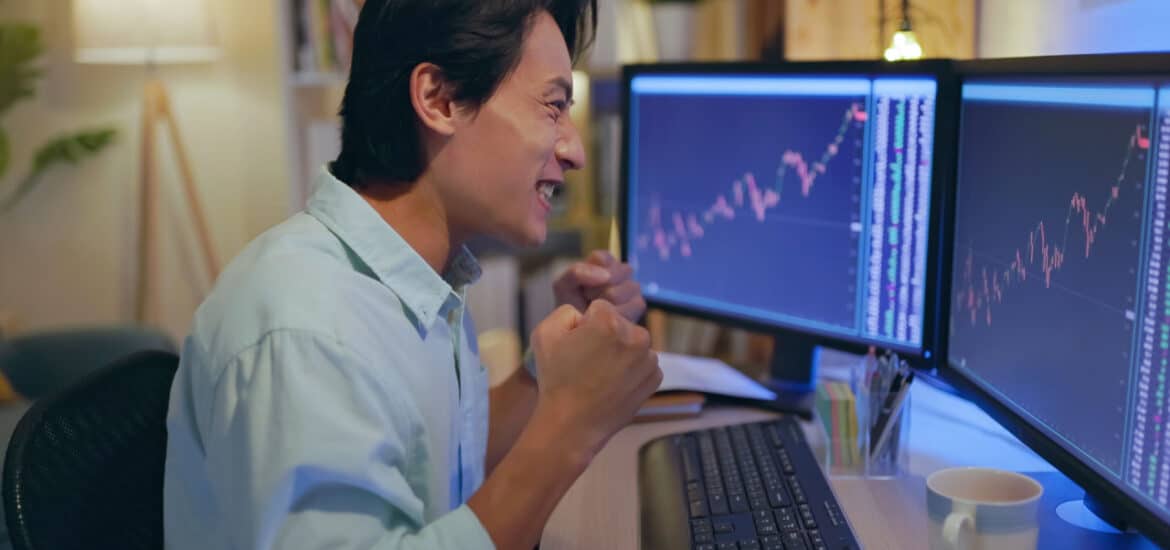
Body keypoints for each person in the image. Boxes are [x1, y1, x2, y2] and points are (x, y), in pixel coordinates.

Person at [163, 1, 662, 548]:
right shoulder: (307, 333)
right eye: (553, 107)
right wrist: (571, 426)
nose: (574, 150)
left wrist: (554, 370)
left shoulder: (419, 280)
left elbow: (450, 464)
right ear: (439, 99)